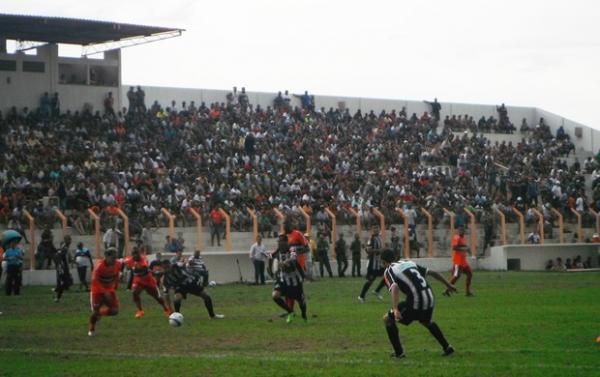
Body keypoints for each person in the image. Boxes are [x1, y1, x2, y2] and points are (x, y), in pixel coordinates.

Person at [380, 249, 456, 359]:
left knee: (387, 319)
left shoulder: (389, 270)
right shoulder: (408, 262)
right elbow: (432, 273)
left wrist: (396, 309)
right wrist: (448, 285)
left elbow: (394, 287)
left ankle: (399, 353)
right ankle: (447, 347)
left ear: (383, 262)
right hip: (430, 296)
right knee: (426, 321)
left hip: (417, 300)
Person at [269, 235, 307, 323]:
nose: (279, 243)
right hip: (283, 280)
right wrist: (271, 270)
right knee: (275, 295)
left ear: (286, 242)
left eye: (280, 241)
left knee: (301, 302)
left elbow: (293, 257)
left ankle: (304, 315)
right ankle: (290, 312)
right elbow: (270, 257)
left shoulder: (291, 249)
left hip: (295, 281)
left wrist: (285, 262)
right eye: (278, 242)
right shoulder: (278, 251)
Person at [124, 248, 171, 318]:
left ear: (139, 254)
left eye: (136, 253)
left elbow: (143, 267)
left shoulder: (143, 259)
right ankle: (140, 311)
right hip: (138, 281)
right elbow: (125, 264)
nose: (134, 255)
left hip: (148, 281)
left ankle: (166, 310)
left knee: (157, 297)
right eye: (133, 254)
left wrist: (132, 266)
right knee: (134, 292)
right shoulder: (130, 260)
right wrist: (127, 265)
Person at [88, 247, 122, 336]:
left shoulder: (117, 264)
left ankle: (100, 313)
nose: (115, 260)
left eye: (116, 257)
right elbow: (94, 280)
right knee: (95, 312)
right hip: (97, 291)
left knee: (115, 311)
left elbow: (116, 274)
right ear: (106, 256)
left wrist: (115, 285)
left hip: (109, 289)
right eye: (113, 257)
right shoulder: (99, 266)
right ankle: (92, 328)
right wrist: (104, 292)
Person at [445, 226, 473, 296]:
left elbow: (464, 246)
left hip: (463, 261)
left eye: (462, 230)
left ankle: (467, 292)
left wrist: (468, 250)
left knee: (470, 274)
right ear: (458, 231)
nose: (461, 232)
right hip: (458, 261)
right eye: (460, 230)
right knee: (456, 276)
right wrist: (464, 249)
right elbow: (454, 247)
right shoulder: (456, 237)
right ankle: (446, 290)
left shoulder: (463, 238)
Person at [358, 227, 385, 302]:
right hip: (372, 264)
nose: (376, 230)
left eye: (377, 228)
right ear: (372, 231)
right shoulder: (372, 239)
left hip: (379, 263)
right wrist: (378, 250)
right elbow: (368, 251)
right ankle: (361, 296)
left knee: (388, 275)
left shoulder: (379, 238)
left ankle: (377, 291)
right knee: (370, 281)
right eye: (374, 229)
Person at [53, 235, 74, 302]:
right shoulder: (64, 248)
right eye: (69, 240)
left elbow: (66, 258)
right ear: (66, 240)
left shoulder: (65, 248)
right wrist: (60, 266)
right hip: (63, 268)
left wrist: (72, 260)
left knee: (68, 282)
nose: (70, 241)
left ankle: (57, 295)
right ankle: (57, 294)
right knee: (67, 282)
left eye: (70, 240)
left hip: (65, 268)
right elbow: (58, 256)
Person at [3, 230, 24, 296]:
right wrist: (8, 258)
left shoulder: (18, 250)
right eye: (11, 243)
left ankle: (16, 292)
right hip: (10, 266)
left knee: (17, 280)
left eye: (14, 243)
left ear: (15, 244)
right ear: (10, 244)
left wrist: (18, 256)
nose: (12, 244)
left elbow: (21, 258)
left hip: (16, 266)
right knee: (9, 279)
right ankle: (8, 292)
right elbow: (4, 258)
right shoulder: (8, 251)